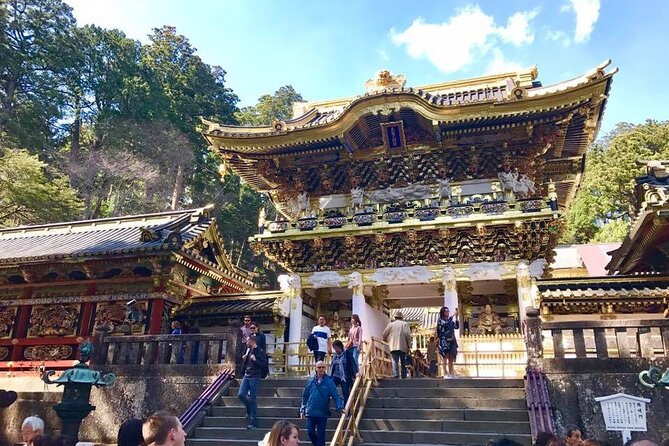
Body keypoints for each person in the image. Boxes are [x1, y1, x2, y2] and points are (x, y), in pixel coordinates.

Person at [300, 361, 345, 446]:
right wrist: (302, 409)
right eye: (319, 367)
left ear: (325, 368)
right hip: (310, 412)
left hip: (322, 413)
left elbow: (336, 395)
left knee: (321, 435)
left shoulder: (329, 382)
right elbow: (305, 397)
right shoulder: (310, 382)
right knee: (310, 432)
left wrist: (340, 406)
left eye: (323, 367)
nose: (321, 369)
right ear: (315, 368)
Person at [238, 334, 268, 429]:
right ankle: (249, 409)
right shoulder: (248, 350)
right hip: (246, 375)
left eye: (247, 341)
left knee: (252, 399)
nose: (246, 342)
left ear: (252, 341)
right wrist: (245, 358)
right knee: (241, 394)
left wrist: (255, 360)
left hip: (255, 376)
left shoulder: (260, 351)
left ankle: (254, 421)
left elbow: (263, 364)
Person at [382, 311, 411, 379]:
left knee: (395, 361)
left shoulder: (391, 324)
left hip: (393, 345)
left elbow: (385, 333)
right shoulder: (405, 324)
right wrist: (408, 345)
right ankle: (403, 376)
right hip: (402, 345)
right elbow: (408, 335)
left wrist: (385, 340)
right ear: (402, 317)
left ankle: (396, 375)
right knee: (403, 361)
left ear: (395, 317)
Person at [437, 306, 459, 378]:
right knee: (445, 357)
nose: (448, 312)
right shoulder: (441, 320)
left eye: (448, 311)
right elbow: (444, 324)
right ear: (443, 312)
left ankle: (451, 372)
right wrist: (452, 316)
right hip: (444, 340)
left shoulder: (450, 321)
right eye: (446, 311)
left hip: (452, 340)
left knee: (451, 357)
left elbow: (456, 326)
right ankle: (445, 372)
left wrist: (456, 317)